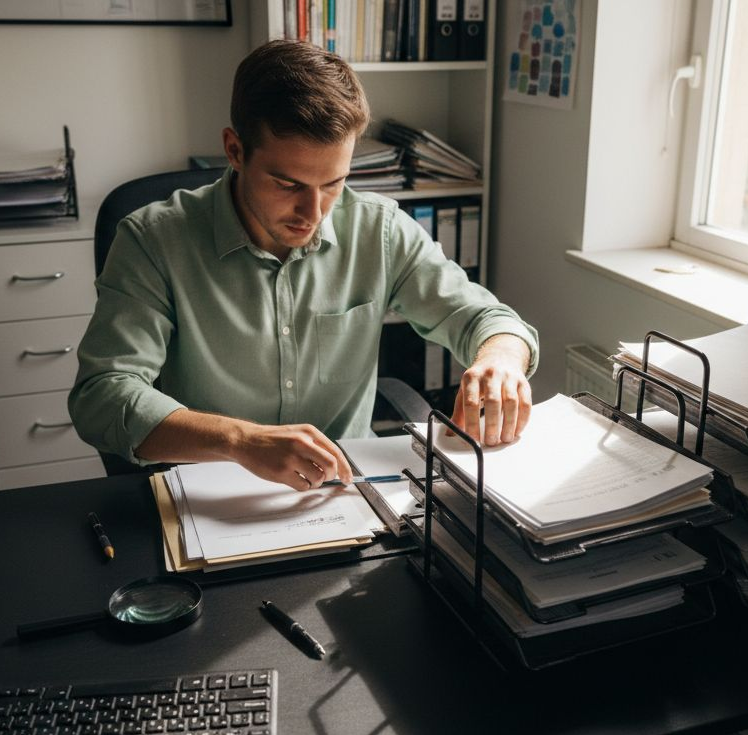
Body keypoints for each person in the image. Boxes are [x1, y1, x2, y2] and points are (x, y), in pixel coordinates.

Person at [69, 39, 539, 491]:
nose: (313, 213)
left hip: (348, 492)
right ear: (235, 151)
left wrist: (500, 359)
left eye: (333, 183)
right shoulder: (153, 241)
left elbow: (486, 319)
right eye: (288, 184)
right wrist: (239, 441)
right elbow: (103, 394)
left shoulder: (379, 231)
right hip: (209, 498)